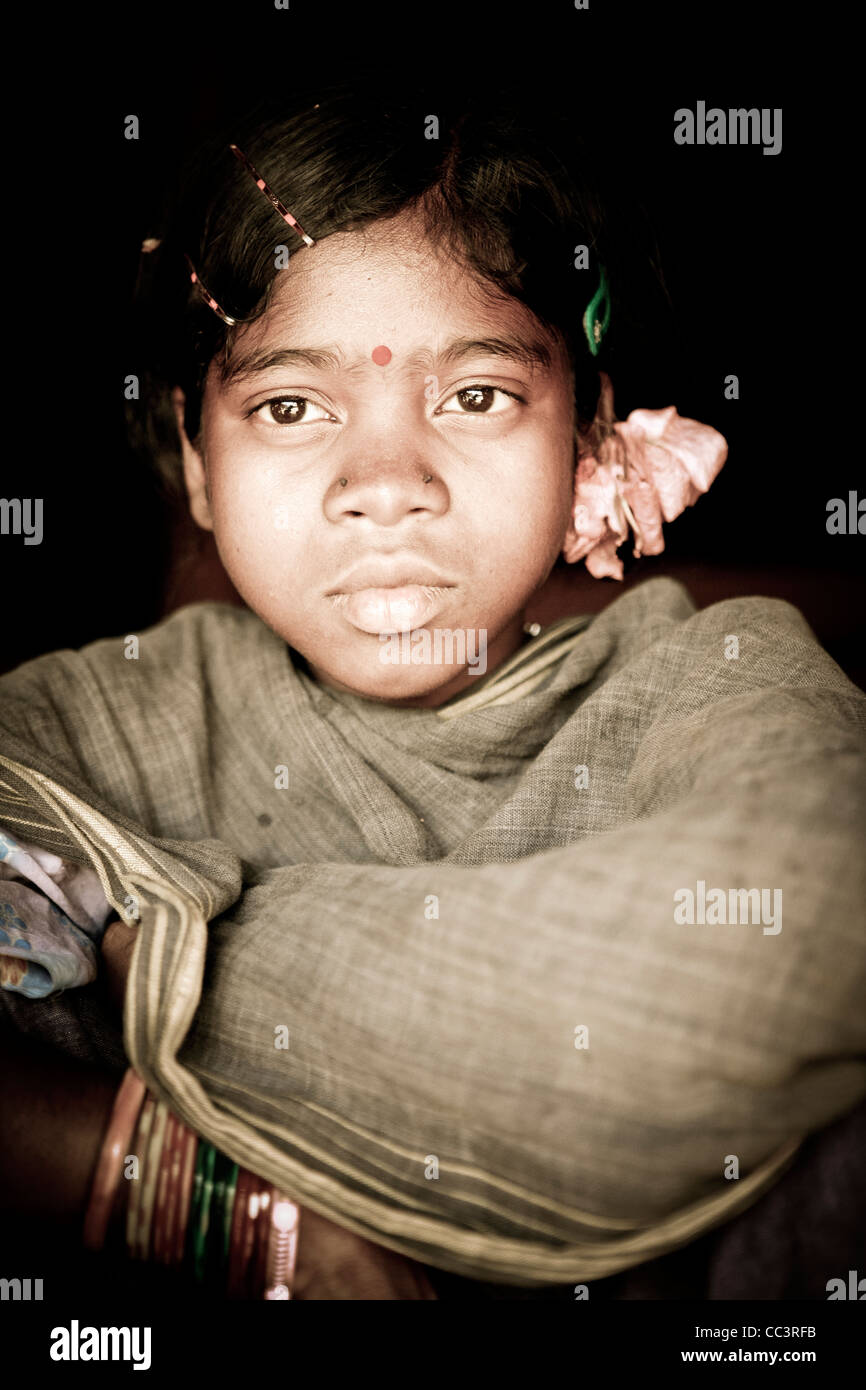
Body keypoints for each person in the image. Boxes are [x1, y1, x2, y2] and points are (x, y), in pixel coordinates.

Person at [1, 81, 864, 1298]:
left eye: (475, 396)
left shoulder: (715, 676)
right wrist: (206, 1200)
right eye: (291, 406)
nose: (387, 481)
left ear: (588, 437)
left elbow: (793, 938)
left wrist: (171, 951)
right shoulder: (98, 719)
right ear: (197, 463)